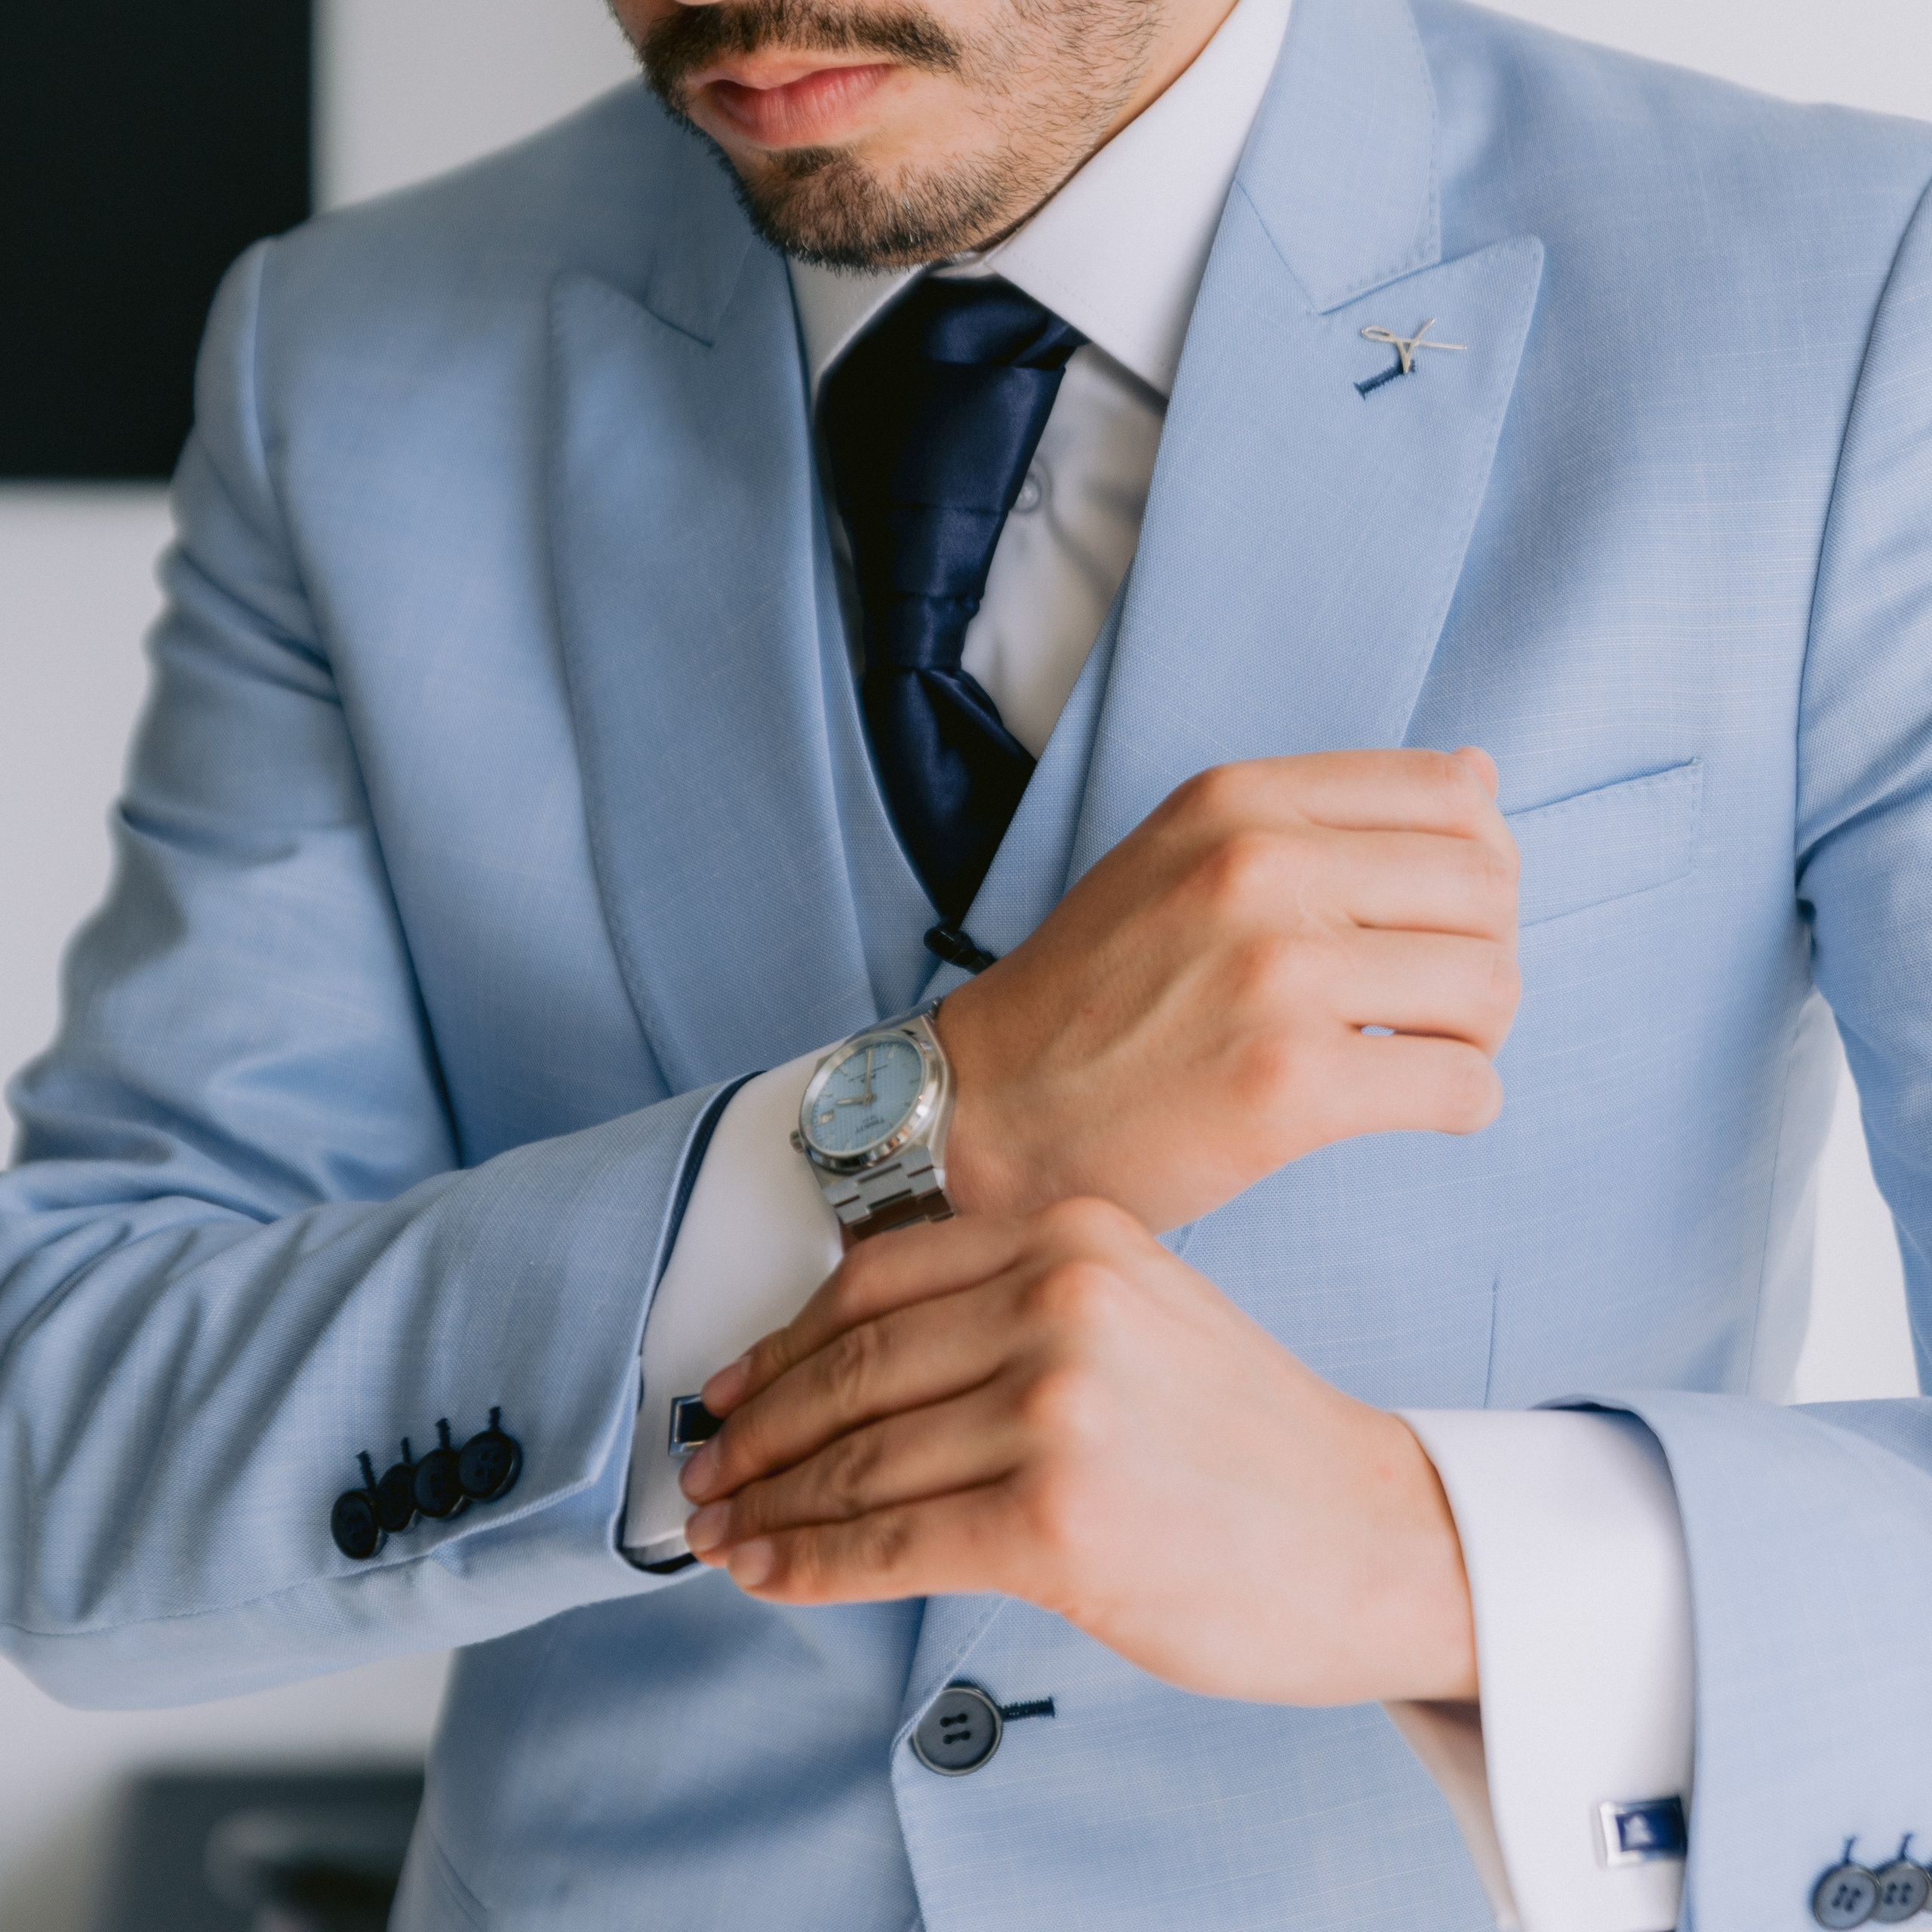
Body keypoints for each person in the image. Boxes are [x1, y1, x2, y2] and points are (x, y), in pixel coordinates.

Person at [3, 0, 1931, 1924]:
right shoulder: (338, 360)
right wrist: (924, 1132)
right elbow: (76, 1459)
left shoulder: (1849, 296)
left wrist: (1407, 1552)